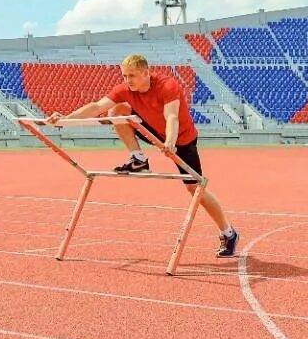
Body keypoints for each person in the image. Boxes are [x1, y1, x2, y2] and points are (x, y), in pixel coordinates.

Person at [46, 53, 239, 258]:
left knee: (195, 189)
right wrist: (65, 119)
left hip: (181, 139)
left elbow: (172, 116)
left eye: (132, 76)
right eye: (124, 76)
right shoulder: (124, 90)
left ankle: (228, 232)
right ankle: (138, 158)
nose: (127, 80)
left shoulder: (167, 85)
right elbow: (97, 106)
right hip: (152, 131)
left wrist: (170, 142)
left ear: (146, 73)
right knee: (116, 110)